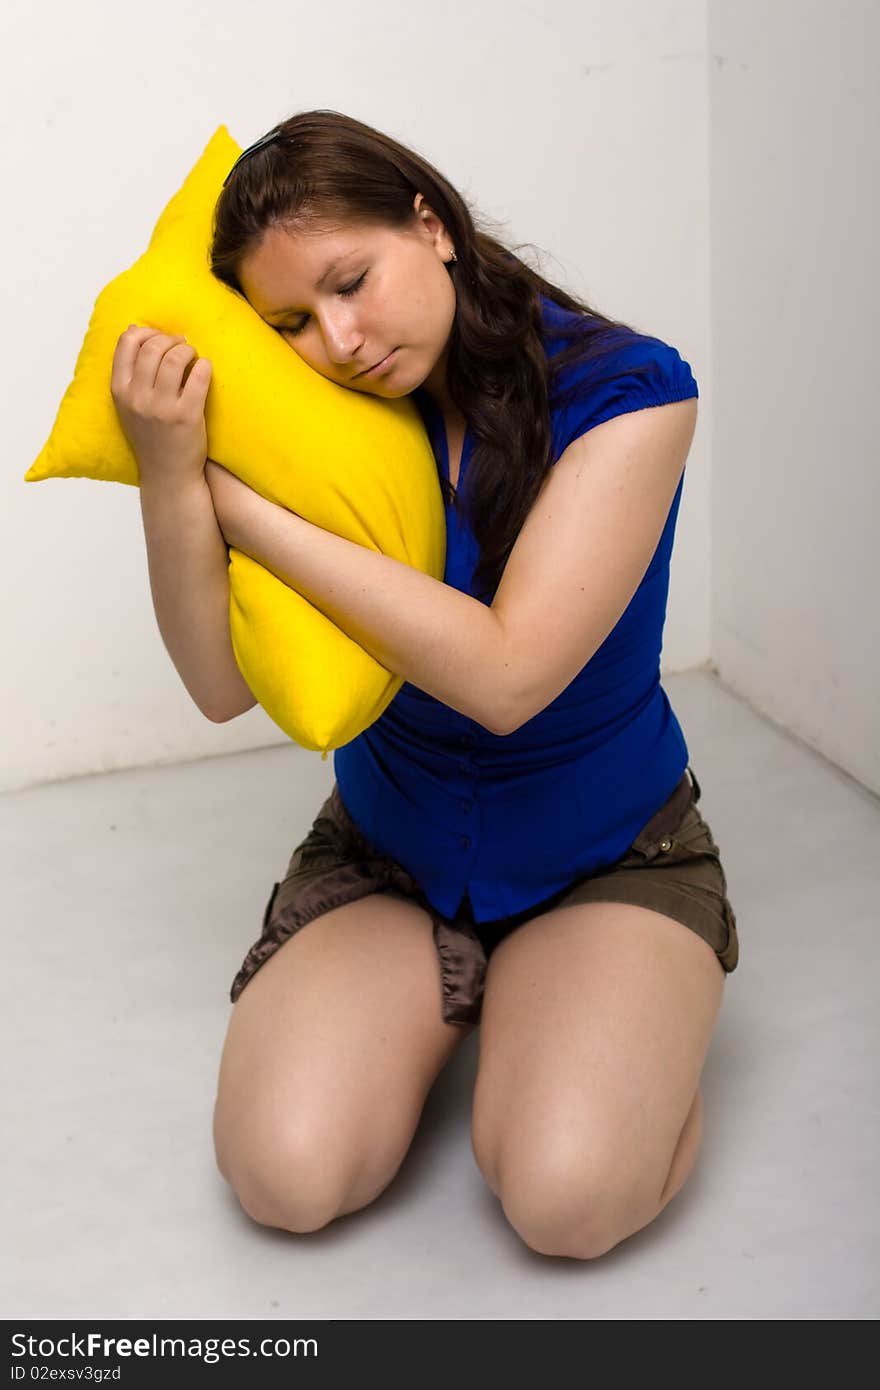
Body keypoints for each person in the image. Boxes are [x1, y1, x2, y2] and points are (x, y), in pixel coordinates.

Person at [111, 109, 739, 1261]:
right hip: (387, 853)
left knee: (568, 1201)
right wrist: (168, 475)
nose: (337, 340)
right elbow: (216, 689)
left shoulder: (632, 392)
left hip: (609, 853)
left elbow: (507, 677)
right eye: (291, 321)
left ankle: (602, 1023)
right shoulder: (322, 422)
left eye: (352, 282)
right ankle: (479, 1001)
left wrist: (237, 508)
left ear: (430, 223)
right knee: (284, 1178)